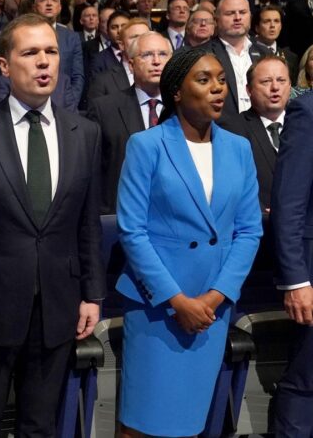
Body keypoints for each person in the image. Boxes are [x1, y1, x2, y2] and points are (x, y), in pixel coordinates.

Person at [0, 12, 104, 437]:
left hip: (58, 304)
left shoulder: (85, 133)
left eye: (50, 51)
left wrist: (91, 294)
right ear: (5, 66)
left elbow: (88, 225)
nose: (44, 61)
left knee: (41, 426)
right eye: (30, 53)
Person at [116, 48, 262, 437]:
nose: (217, 88)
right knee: (142, 423)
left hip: (211, 311)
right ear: (176, 92)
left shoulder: (239, 148)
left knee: (190, 423)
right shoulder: (145, 145)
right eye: (204, 80)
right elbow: (132, 231)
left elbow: (248, 231)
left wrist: (215, 297)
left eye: (221, 79)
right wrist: (176, 300)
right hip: (158, 310)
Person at [88, 31, 172, 214]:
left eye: (163, 54)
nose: (157, 61)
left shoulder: (185, 109)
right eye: (148, 55)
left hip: (175, 218)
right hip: (121, 215)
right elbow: (92, 173)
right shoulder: (104, 109)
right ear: (132, 65)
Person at [272, 72, 313, 436]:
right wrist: (296, 280)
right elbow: (288, 203)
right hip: (312, 274)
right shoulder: (307, 111)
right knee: (306, 379)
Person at [224, 56, 291, 210]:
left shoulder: (304, 126)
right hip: (259, 224)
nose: (275, 87)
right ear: (249, 90)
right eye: (266, 81)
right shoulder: (232, 130)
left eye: (281, 80)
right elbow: (232, 186)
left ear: (290, 86)